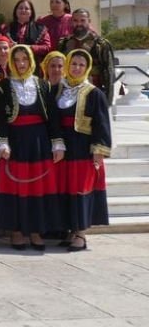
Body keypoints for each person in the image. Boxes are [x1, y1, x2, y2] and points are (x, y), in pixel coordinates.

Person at [0, 45, 64, 250]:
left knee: (37, 187)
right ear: (12, 62)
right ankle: (16, 231)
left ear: (31, 60)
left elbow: (53, 120)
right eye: (17, 60)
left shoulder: (44, 85)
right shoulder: (2, 86)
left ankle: (35, 230)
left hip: (39, 142)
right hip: (15, 141)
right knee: (16, 187)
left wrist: (57, 143)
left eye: (25, 59)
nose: (21, 64)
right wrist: (2, 142)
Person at [55, 49, 111, 252]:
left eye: (81, 64)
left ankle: (81, 233)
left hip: (83, 148)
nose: (77, 68)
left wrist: (98, 151)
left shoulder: (94, 93)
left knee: (81, 189)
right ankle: (71, 229)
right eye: (73, 64)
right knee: (67, 188)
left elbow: (102, 124)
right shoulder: (59, 89)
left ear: (86, 68)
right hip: (64, 147)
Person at [58, 9, 116, 106]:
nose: (79, 24)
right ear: (71, 22)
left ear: (89, 21)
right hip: (69, 95)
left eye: (82, 20)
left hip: (94, 93)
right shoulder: (64, 44)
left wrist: (107, 101)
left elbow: (109, 74)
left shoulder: (101, 45)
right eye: (76, 20)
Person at [0, 0, 52, 66]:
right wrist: (8, 46)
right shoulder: (5, 28)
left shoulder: (41, 29)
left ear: (31, 12)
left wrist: (29, 47)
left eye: (27, 9)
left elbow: (47, 47)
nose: (23, 10)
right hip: (11, 64)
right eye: (20, 8)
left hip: (33, 65)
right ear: (16, 11)